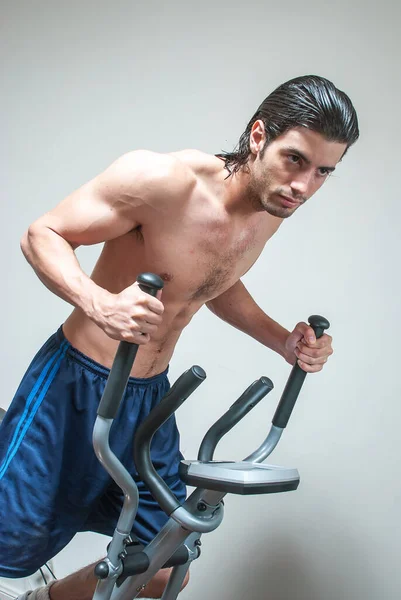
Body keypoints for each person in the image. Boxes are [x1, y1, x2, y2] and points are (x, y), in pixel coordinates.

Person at [0, 75, 359, 600]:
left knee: (166, 562)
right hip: (77, 387)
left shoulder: (270, 211)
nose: (303, 186)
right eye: (296, 160)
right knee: (8, 549)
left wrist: (283, 341)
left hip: (148, 399)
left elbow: (213, 281)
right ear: (258, 136)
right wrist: (99, 303)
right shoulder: (163, 180)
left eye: (324, 172)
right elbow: (43, 234)